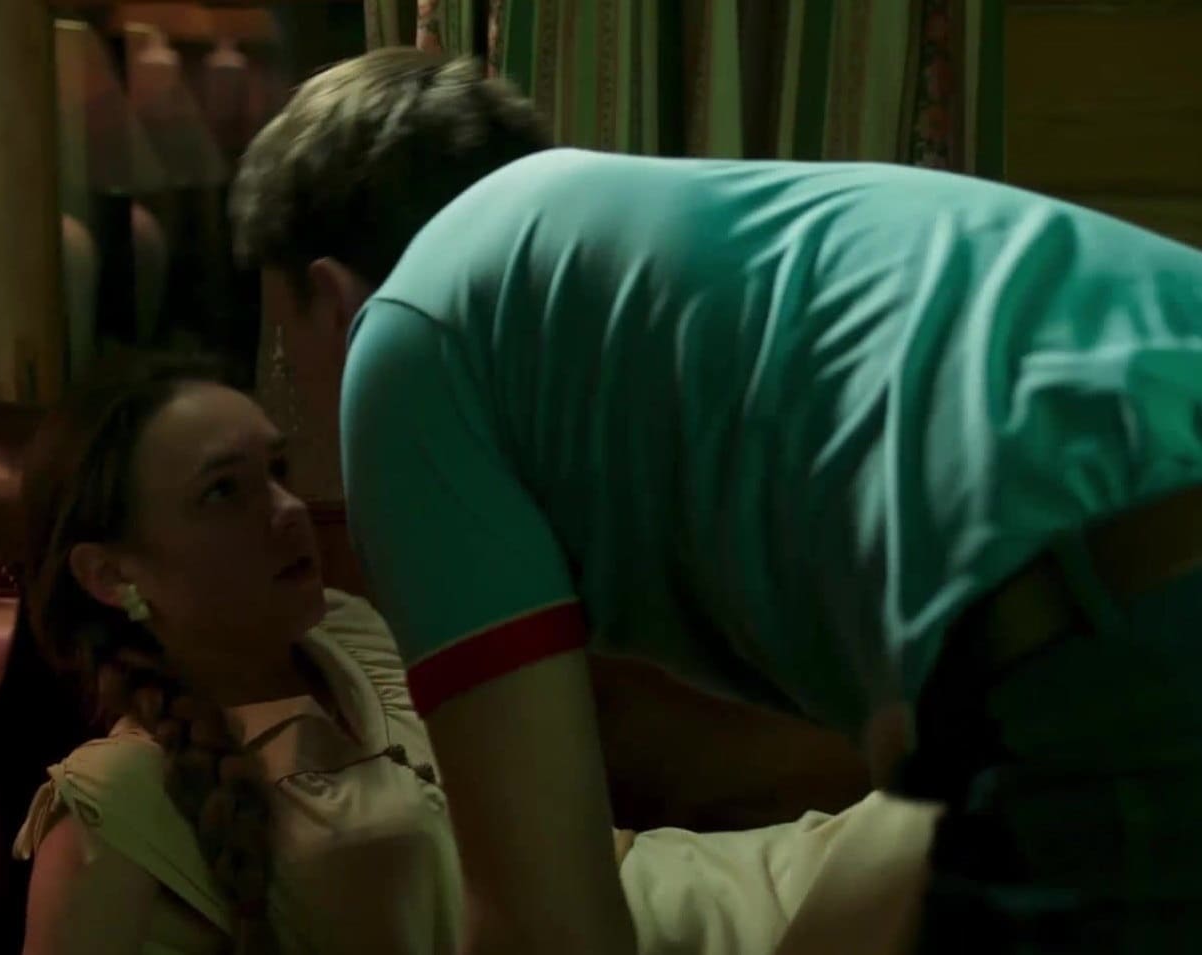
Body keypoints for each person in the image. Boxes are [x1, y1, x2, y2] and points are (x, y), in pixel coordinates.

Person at [229, 46, 1202, 955]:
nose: (304, 406)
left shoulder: (407, 335)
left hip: (1111, 625)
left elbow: (546, 922)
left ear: (333, 298)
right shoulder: (701, 248)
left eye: (287, 350)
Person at [12, 356, 941, 955]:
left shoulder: (350, 631)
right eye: (225, 491)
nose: (288, 511)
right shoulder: (117, 804)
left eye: (279, 471)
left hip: (691, 896)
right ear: (111, 572)